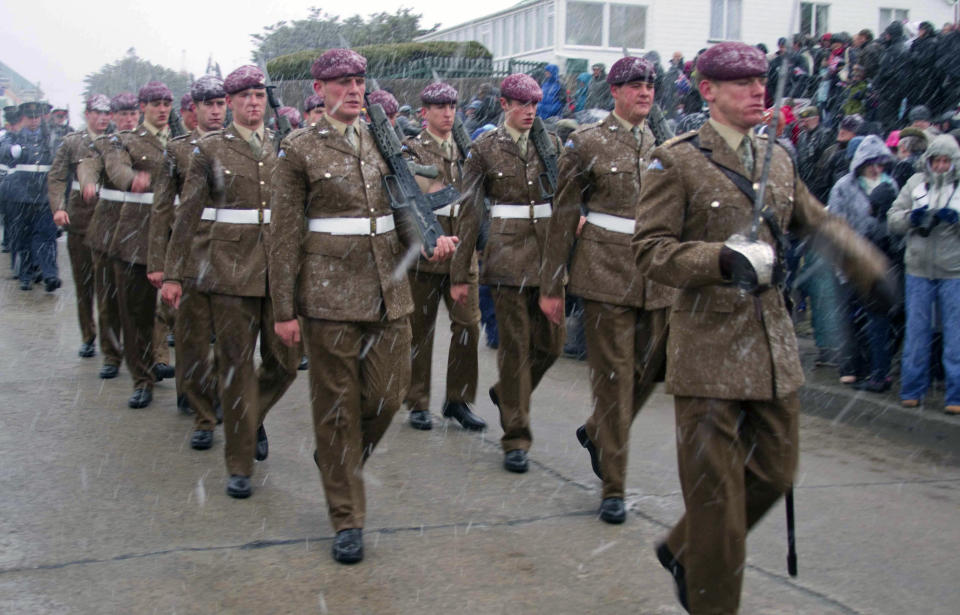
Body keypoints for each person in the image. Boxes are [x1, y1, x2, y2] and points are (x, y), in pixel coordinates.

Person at [632, 42, 892, 614]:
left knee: (775, 473)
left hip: (770, 345)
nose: (758, 90)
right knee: (717, 509)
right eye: (742, 81)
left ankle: (683, 549)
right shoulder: (675, 160)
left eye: (761, 80)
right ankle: (711, 593)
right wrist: (720, 259)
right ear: (707, 91)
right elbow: (651, 253)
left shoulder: (778, 157)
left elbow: (816, 219)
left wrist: (873, 271)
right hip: (706, 345)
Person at [267, 48, 457, 563]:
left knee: (386, 398)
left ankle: (337, 459)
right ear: (320, 87)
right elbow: (283, 235)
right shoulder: (299, 148)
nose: (353, 89)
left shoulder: (383, 140)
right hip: (327, 295)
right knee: (335, 407)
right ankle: (347, 516)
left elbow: (400, 209)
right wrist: (283, 309)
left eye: (359, 80)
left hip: (387, 290)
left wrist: (428, 237)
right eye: (342, 81)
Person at [539, 56, 671, 524]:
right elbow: (562, 215)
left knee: (652, 371)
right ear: (614, 91)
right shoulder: (586, 143)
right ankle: (613, 487)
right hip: (604, 272)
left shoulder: (667, 145)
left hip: (657, 277)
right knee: (613, 380)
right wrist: (552, 283)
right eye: (635, 85)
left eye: (650, 84)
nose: (645, 92)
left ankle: (597, 432)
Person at [162, 65, 300, 497]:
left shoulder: (288, 144)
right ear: (232, 102)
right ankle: (239, 463)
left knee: (286, 363)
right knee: (236, 366)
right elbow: (186, 215)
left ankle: (249, 416)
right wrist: (173, 272)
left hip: (280, 271)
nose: (253, 103)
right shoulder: (209, 149)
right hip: (228, 269)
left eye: (259, 95)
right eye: (243, 96)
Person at [457, 73, 565, 474]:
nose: (530, 111)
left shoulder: (550, 143)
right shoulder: (484, 148)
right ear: (504, 105)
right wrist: (460, 270)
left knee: (552, 345)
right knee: (516, 349)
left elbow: (566, 197)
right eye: (522, 104)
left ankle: (507, 394)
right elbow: (470, 212)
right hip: (505, 256)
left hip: (547, 255)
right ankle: (516, 437)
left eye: (535, 105)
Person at [401, 81, 486, 432]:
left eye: (452, 106)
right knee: (419, 331)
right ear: (424, 112)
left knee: (468, 326)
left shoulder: (469, 150)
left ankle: (458, 399)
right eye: (439, 107)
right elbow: (411, 197)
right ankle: (417, 401)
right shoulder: (411, 150)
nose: (448, 113)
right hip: (427, 255)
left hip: (463, 254)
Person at [149, 75, 226, 449]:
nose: (215, 111)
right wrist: (160, 264)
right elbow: (163, 210)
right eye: (208, 105)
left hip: (233, 254)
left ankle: (223, 397)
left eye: (220, 104)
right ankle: (202, 414)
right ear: (192, 110)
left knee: (232, 338)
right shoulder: (178, 151)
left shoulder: (240, 146)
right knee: (192, 337)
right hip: (192, 252)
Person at [96, 82, 178, 409]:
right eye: (155, 103)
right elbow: (116, 169)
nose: (162, 109)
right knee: (136, 312)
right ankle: (142, 378)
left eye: (166, 103)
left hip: (176, 235)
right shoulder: (125, 141)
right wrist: (132, 180)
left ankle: (190, 387)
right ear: (143, 107)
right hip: (136, 234)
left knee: (183, 313)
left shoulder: (182, 140)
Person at [887, 134, 960, 415]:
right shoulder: (916, 183)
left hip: (953, 271)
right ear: (928, 160)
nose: (941, 165)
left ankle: (954, 395)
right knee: (916, 334)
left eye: (946, 161)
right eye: (936, 160)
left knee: (955, 337)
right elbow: (893, 218)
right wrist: (911, 219)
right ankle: (911, 390)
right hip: (918, 269)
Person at [827, 134, 898, 391]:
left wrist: (881, 218)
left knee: (877, 320)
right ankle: (850, 367)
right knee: (848, 318)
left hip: (877, 263)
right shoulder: (844, 187)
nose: (877, 169)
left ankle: (877, 371)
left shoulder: (890, 185)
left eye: (880, 163)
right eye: (872, 164)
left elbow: (894, 224)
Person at [77, 93, 140, 380]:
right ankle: (112, 355)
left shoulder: (148, 145)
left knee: (141, 301)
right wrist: (88, 183)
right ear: (113, 117)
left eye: (132, 113)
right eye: (123, 114)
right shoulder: (103, 144)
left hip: (140, 231)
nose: (128, 119)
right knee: (108, 299)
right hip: (107, 231)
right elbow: (88, 166)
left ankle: (146, 358)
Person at [47, 94, 111, 357]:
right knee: (84, 284)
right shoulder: (73, 142)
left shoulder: (119, 141)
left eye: (107, 113)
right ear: (87, 114)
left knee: (108, 286)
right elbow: (56, 177)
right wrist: (59, 208)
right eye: (97, 112)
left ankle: (111, 341)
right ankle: (88, 334)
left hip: (111, 224)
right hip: (80, 222)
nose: (103, 117)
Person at [0, 101, 60, 292]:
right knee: (23, 236)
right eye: (29, 117)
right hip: (20, 194)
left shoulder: (49, 137)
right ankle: (26, 274)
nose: (33, 121)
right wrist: (11, 150)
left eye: (36, 117)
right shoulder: (13, 136)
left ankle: (50, 274)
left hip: (43, 194)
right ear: (23, 118)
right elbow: (3, 150)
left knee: (45, 234)